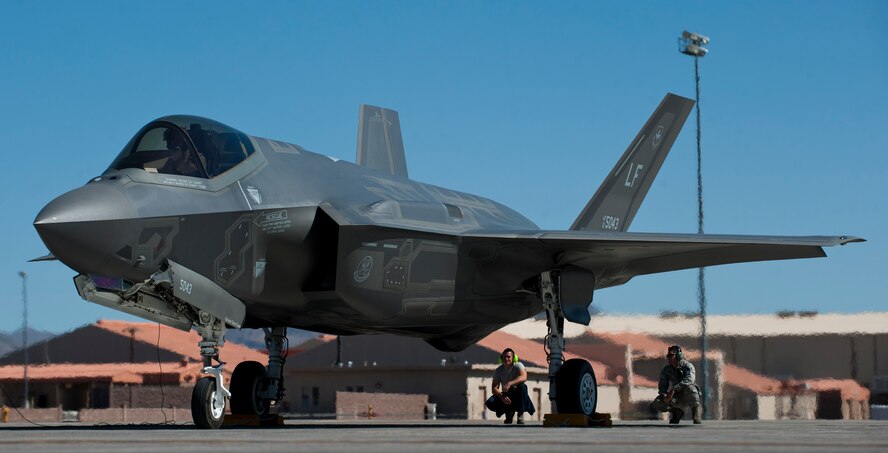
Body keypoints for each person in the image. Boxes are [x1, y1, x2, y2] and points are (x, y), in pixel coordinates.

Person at [651, 345, 702, 424]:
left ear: (678, 356)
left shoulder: (688, 366)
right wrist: (664, 394)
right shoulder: (667, 370)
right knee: (657, 403)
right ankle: (676, 412)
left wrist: (674, 388)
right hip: (676, 396)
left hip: (687, 394)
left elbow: (689, 379)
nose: (669, 358)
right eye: (668, 356)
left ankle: (696, 413)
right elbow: (662, 385)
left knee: (691, 388)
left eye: (671, 356)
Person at [485, 348, 535, 424]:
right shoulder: (498, 370)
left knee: (522, 386)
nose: (506, 359)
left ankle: (520, 414)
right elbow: (494, 388)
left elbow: (524, 377)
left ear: (513, 358)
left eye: (508, 357)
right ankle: (509, 413)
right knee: (490, 402)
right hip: (506, 395)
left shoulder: (518, 365)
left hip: (518, 395)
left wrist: (509, 383)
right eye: (504, 357)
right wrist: (501, 396)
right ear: (501, 358)